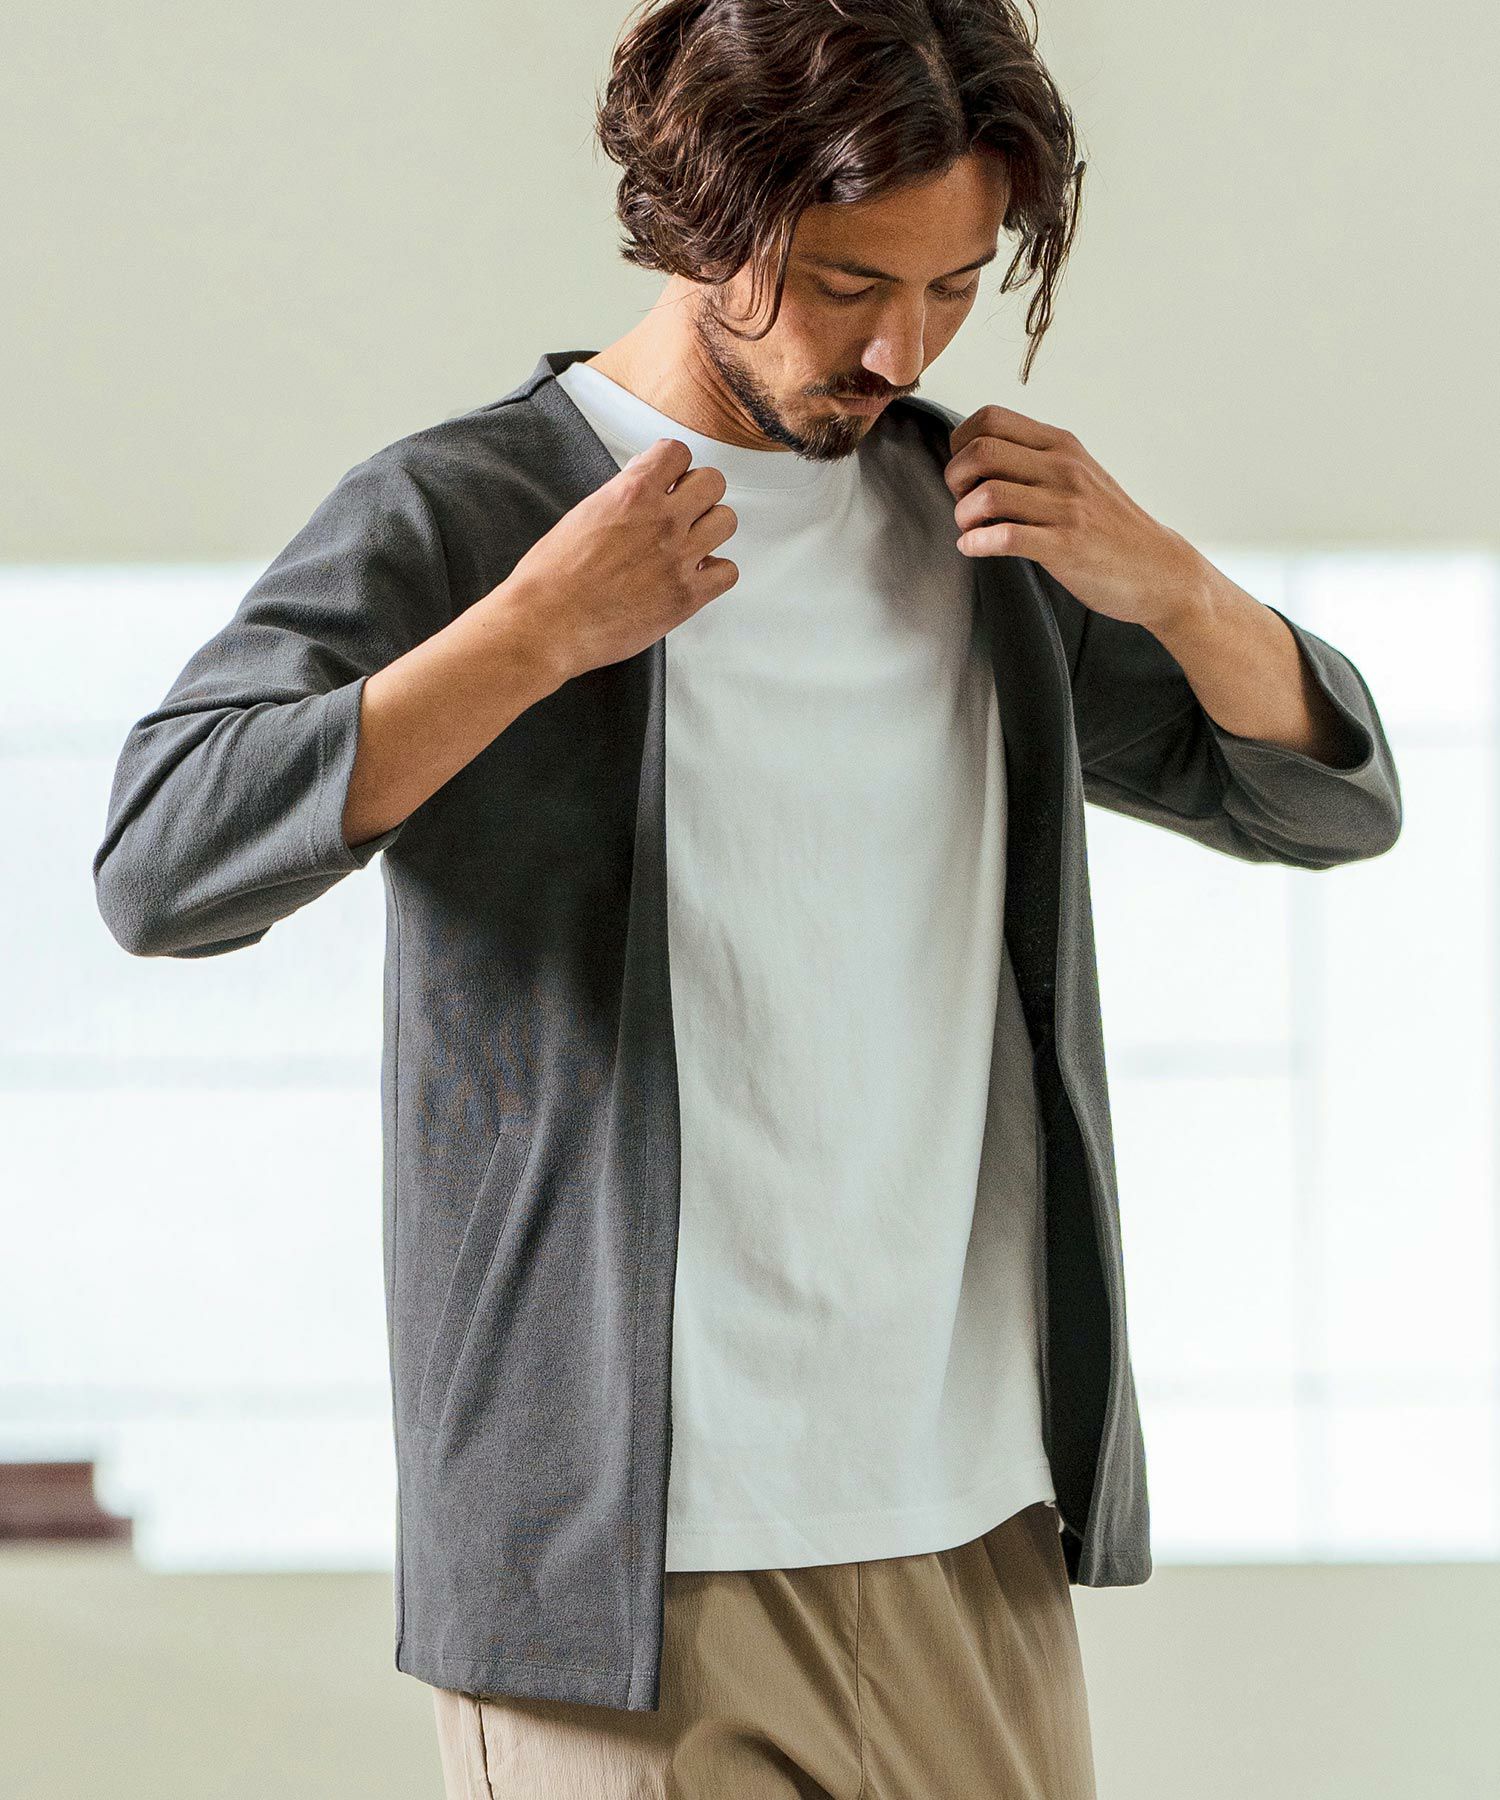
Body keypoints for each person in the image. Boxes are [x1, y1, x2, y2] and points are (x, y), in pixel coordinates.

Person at [92, 3, 1402, 1795]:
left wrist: (1172, 584)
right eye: (851, 282)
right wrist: (532, 634)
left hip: (970, 1530)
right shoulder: (472, 512)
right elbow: (161, 860)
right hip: (619, 1568)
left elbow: (1324, 799)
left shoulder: (979, 529)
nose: (902, 346)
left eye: (954, 287)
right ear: (702, 218)